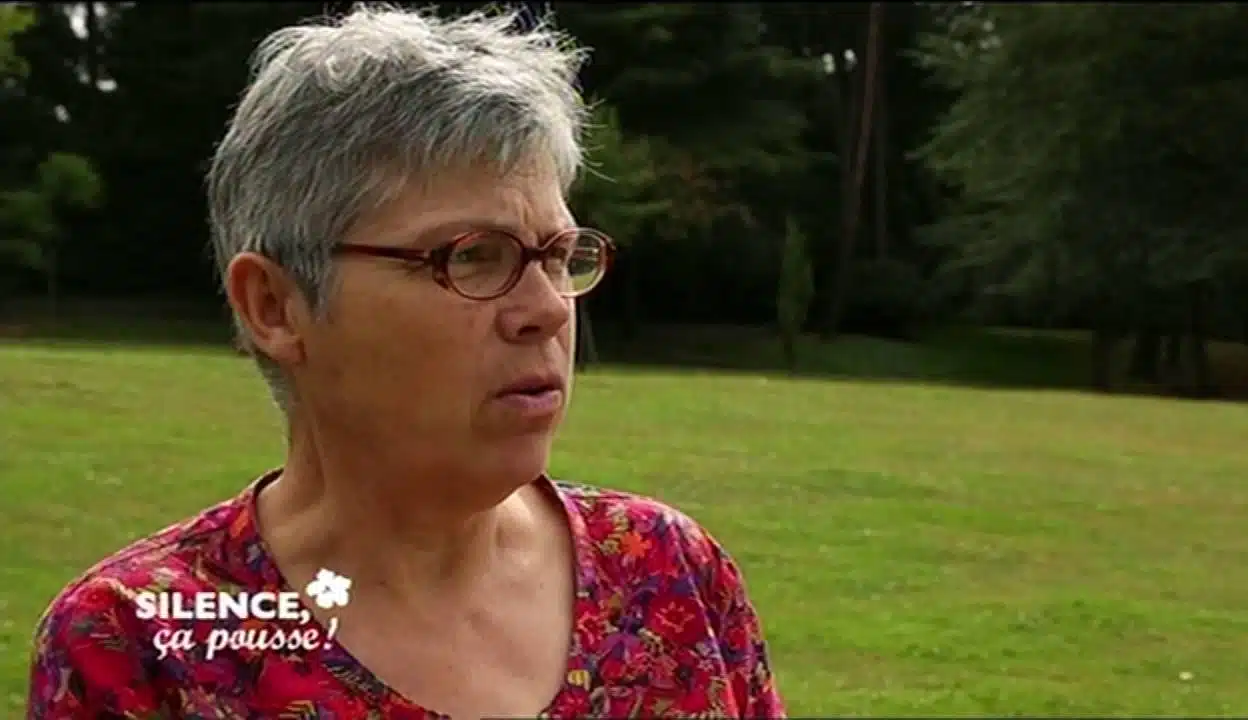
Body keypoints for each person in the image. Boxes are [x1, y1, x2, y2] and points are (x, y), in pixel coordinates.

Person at [25, 5, 786, 719]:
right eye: (474, 257)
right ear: (276, 308)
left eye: (556, 257)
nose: (549, 310)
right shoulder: (144, 647)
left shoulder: (667, 576)